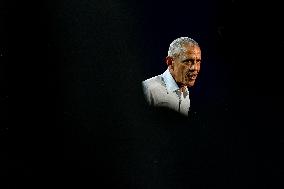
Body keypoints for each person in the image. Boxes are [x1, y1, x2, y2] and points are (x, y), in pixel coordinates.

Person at [142, 37, 201, 116]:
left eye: (198, 61)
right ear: (170, 62)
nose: (195, 68)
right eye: (188, 61)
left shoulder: (185, 92)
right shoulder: (148, 90)